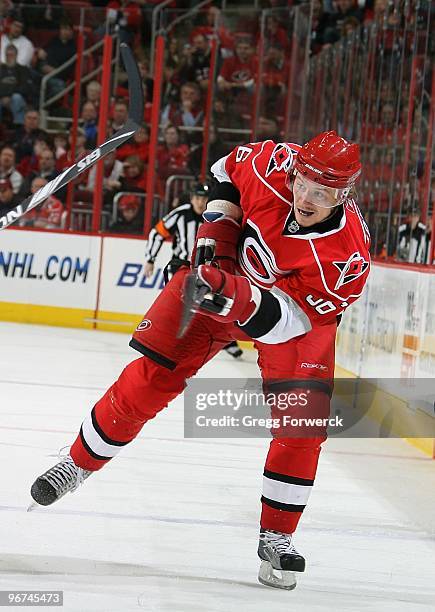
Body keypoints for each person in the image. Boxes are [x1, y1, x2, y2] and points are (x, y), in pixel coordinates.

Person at [30, 131, 370, 590]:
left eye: (323, 191)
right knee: (149, 379)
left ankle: (277, 537)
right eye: (304, 181)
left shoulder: (347, 255)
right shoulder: (273, 164)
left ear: (343, 194)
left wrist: (236, 299)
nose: (307, 197)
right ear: (295, 170)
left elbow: (289, 322)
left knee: (302, 423)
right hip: (223, 282)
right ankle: (76, 463)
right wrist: (217, 237)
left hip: (292, 316)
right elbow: (224, 171)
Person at [144, 182, 244, 360]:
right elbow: (157, 232)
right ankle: (168, 338)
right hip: (182, 266)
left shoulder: (217, 215)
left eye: (204, 198)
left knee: (214, 304)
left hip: (209, 268)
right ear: (191, 198)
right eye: (197, 198)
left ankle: (225, 341)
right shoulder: (180, 214)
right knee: (176, 304)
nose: (200, 202)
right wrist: (150, 259)